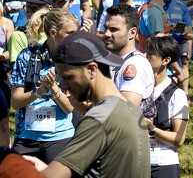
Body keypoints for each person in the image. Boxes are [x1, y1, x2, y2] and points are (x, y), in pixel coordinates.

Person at [26, 31, 151, 177]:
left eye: (68, 77)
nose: (64, 86)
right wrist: (48, 168)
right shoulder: (131, 111)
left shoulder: (99, 119)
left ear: (92, 70)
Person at [10, 9, 78, 163]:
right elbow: (15, 102)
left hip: (59, 137)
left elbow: (70, 108)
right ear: (54, 32)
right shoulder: (26, 56)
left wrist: (54, 89)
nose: (75, 37)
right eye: (70, 33)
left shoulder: (74, 59)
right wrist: (39, 91)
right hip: (26, 137)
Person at [145, 36, 189, 178]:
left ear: (166, 60)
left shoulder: (179, 95)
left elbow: (179, 139)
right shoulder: (138, 90)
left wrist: (152, 130)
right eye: (145, 52)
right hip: (137, 163)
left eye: (150, 54)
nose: (145, 57)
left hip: (164, 166)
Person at [103, 3, 154, 108]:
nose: (106, 34)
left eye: (113, 30)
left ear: (132, 32)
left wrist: (89, 107)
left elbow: (127, 111)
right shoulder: (111, 61)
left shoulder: (135, 64)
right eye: (106, 28)